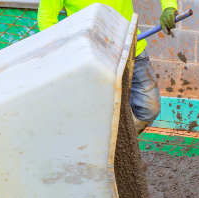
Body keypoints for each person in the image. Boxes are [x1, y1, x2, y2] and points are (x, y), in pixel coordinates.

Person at [38, 0, 178, 134]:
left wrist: (169, 6)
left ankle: (117, 144)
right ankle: (104, 147)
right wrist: (66, 51)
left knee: (149, 109)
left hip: (130, 49)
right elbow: (46, 18)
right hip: (91, 57)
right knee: (95, 110)